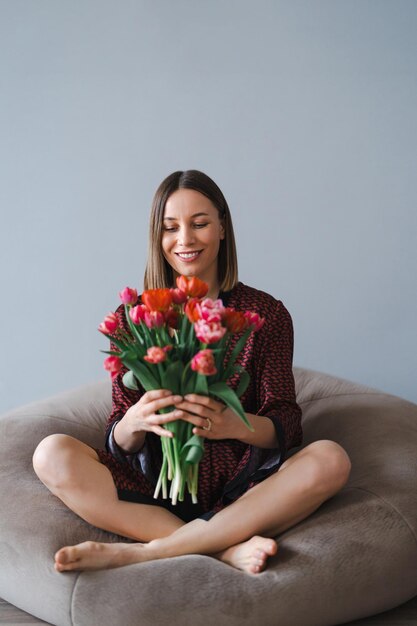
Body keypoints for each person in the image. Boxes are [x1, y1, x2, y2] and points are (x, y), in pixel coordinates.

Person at [33, 170, 351, 575]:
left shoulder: (264, 314)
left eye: (199, 223)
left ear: (222, 227)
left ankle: (145, 553)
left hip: (244, 490)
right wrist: (134, 421)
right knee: (50, 453)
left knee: (331, 459)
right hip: (153, 487)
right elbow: (119, 439)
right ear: (157, 236)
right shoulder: (134, 319)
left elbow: (286, 423)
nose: (185, 239)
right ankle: (221, 549)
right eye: (170, 227)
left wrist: (231, 425)